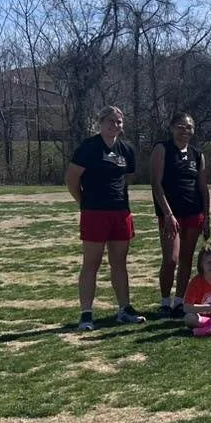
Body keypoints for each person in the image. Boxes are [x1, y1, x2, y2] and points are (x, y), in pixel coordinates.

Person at [66, 105, 143, 330]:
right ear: (100, 123)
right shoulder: (89, 147)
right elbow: (71, 179)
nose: (115, 125)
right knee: (92, 263)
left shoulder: (126, 149)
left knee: (119, 262)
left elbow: (128, 178)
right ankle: (86, 313)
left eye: (119, 122)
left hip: (120, 212)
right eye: (110, 121)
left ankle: (124, 309)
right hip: (94, 212)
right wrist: (84, 202)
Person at [151, 111, 208, 319]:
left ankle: (179, 301)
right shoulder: (162, 149)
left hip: (193, 213)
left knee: (186, 259)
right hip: (170, 215)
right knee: (171, 259)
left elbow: (202, 188)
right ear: (172, 128)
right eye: (180, 126)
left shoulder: (197, 154)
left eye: (189, 127)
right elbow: (156, 184)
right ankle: (165, 302)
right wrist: (168, 214)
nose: (185, 130)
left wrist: (207, 217)